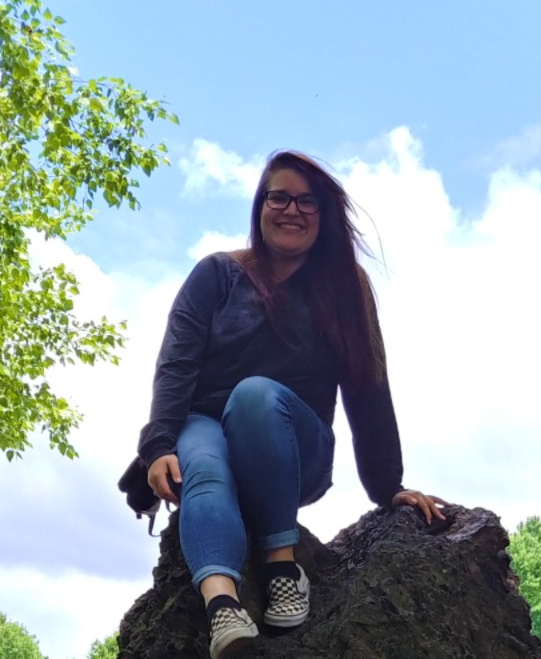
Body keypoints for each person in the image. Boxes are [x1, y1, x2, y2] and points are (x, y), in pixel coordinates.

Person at [136, 150, 445, 659]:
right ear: (260, 206)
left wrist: (389, 486)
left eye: (307, 202)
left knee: (254, 395)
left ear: (323, 217)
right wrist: (159, 445)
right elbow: (176, 364)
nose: (291, 210)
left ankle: (282, 566)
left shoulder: (346, 290)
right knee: (205, 467)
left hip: (291, 452)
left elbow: (368, 388)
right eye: (278, 197)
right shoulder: (217, 275)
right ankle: (223, 610)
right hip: (203, 428)